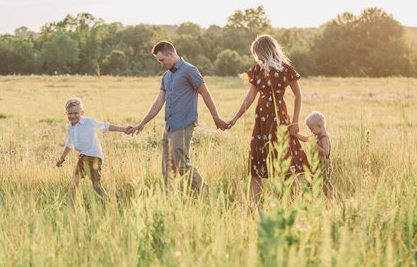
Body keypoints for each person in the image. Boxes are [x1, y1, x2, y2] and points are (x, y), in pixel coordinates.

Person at [222, 34, 309, 203]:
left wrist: (296, 122)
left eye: (258, 53)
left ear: (265, 50)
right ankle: (252, 206)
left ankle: (289, 203)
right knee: (256, 162)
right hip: (261, 120)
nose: (257, 57)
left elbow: (298, 95)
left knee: (284, 160)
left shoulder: (286, 69)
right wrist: (235, 118)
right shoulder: (257, 70)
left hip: (279, 118)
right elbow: (249, 98)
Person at [133, 41, 227, 194]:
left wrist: (216, 118)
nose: (161, 64)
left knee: (182, 166)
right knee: (167, 170)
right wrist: (142, 123)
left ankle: (207, 195)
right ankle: (170, 203)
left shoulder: (189, 70)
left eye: (162, 60)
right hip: (169, 127)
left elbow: (206, 94)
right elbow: (158, 102)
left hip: (183, 126)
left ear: (171, 54)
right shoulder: (166, 76)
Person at [55, 97, 131, 198]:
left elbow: (106, 126)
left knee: (96, 185)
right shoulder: (69, 127)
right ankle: (72, 206)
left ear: (82, 113)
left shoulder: (89, 122)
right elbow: (70, 143)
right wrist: (62, 158)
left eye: (75, 113)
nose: (73, 116)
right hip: (81, 158)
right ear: (66, 113)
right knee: (73, 184)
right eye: (70, 113)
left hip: (94, 157)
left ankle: (109, 203)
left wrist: (124, 129)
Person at [301, 110, 332, 196]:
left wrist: (315, 146)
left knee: (324, 184)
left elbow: (326, 152)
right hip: (316, 166)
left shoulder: (324, 138)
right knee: (311, 183)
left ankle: (330, 198)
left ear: (319, 126)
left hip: (324, 166)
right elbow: (306, 139)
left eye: (312, 129)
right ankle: (309, 198)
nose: (311, 132)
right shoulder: (317, 135)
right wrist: (295, 135)